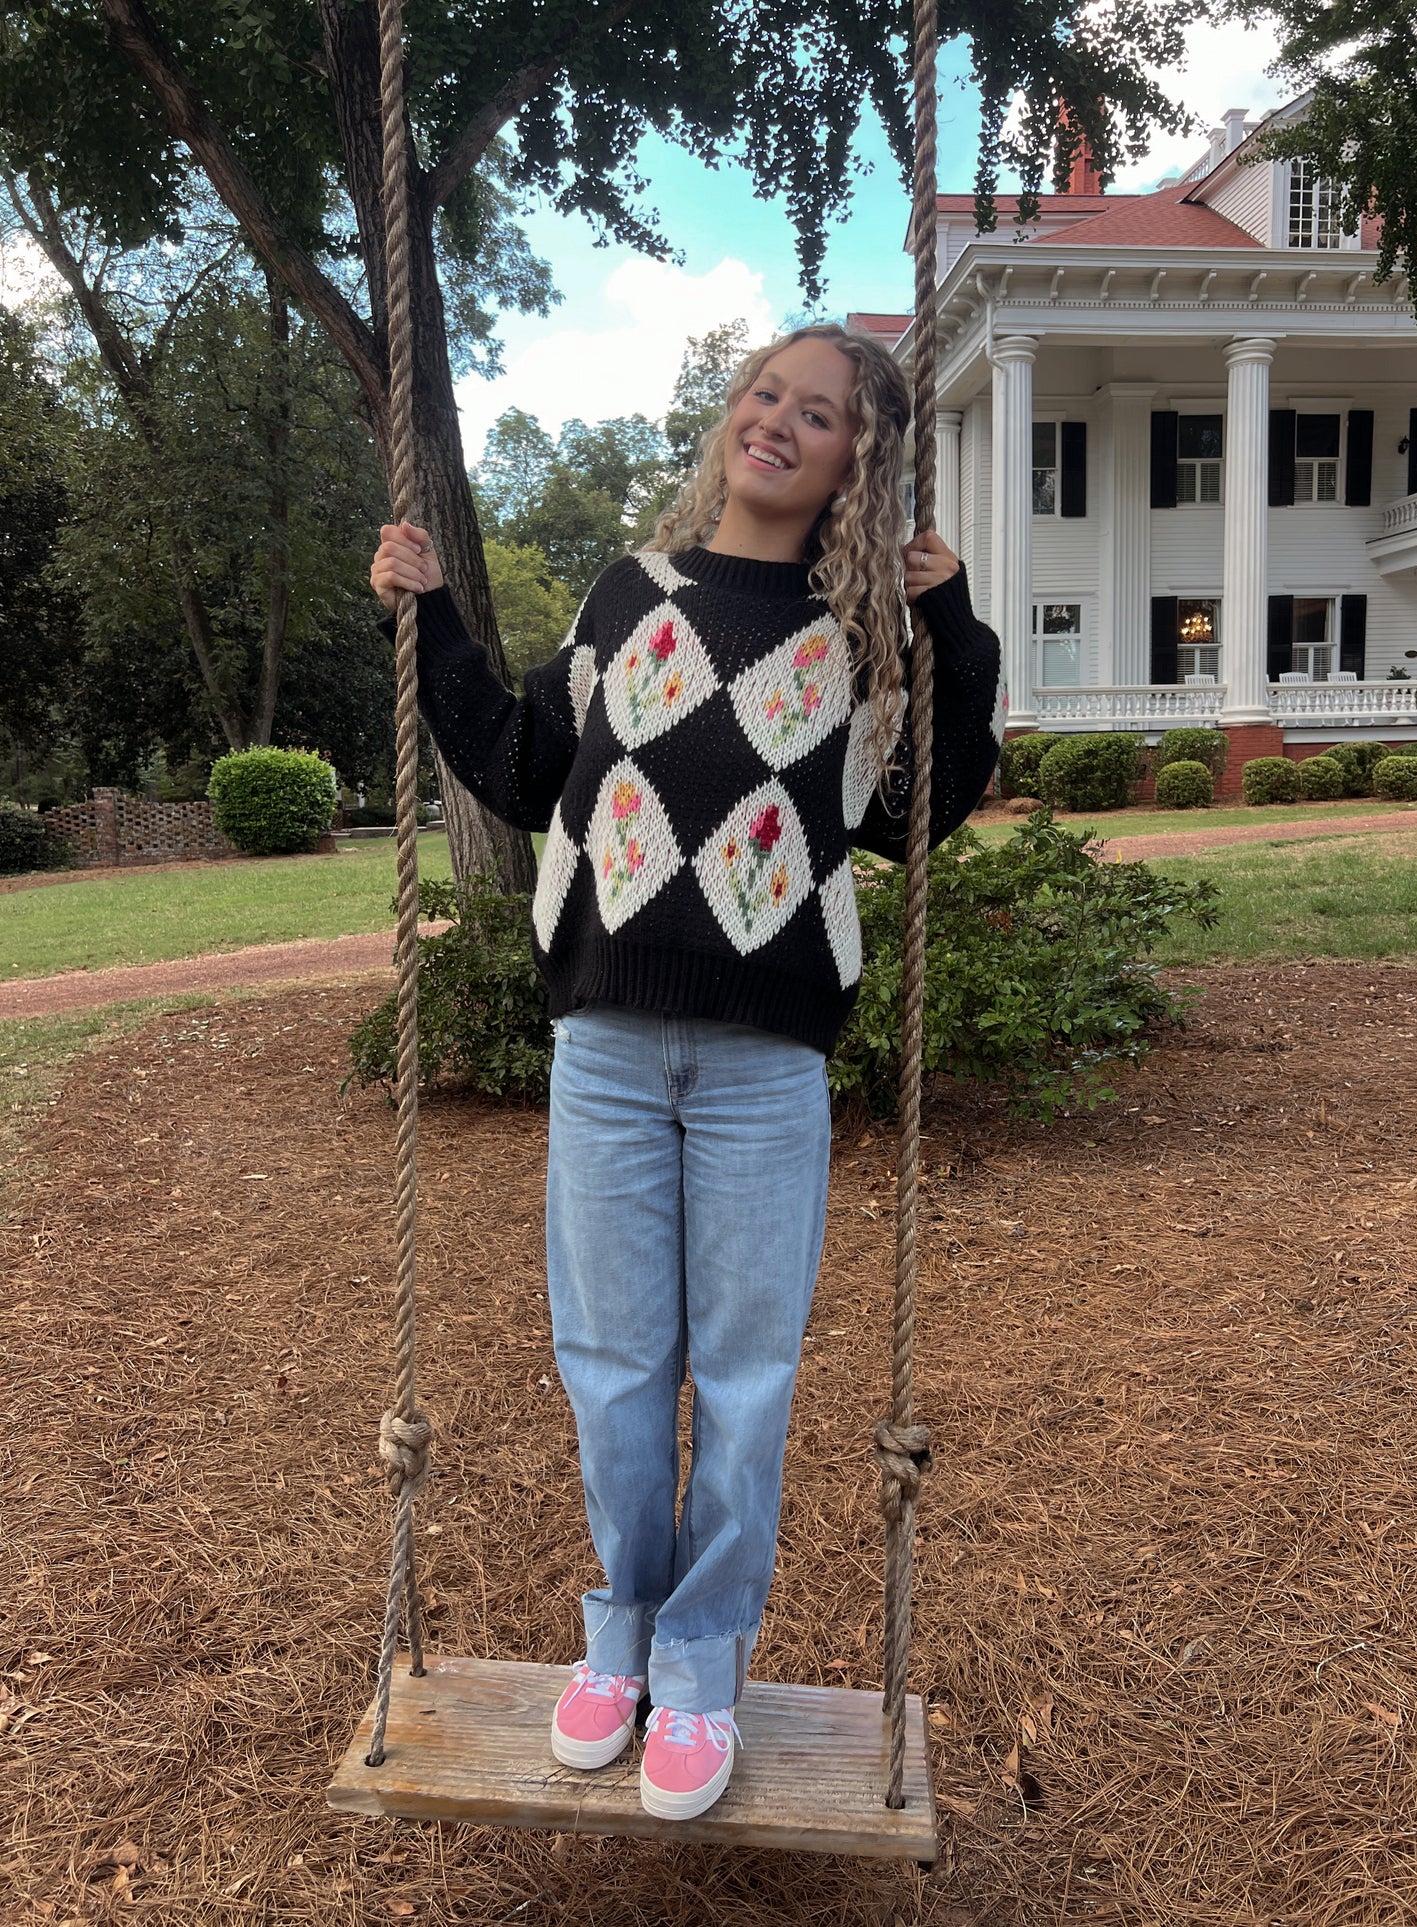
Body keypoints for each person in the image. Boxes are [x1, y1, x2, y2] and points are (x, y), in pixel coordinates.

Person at [370, 322, 1003, 1822]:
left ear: (861, 461)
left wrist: (955, 629)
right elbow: (527, 771)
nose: (778, 423)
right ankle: (621, 1639)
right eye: (763, 396)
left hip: (761, 1063)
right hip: (602, 1047)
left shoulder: (858, 647)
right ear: (731, 418)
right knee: (608, 1366)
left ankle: (703, 1666)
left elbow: (923, 808)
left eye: (821, 415)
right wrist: (432, 619)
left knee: (743, 1374)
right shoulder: (625, 599)